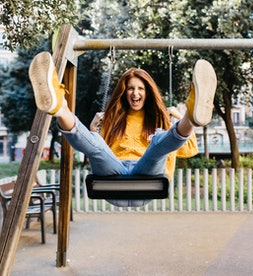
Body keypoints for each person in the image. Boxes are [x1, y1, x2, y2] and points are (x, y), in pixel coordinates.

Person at [28, 52, 217, 207]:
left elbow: (190, 150)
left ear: (148, 92)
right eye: (130, 89)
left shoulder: (160, 118)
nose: (135, 93)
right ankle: (59, 107)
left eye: (141, 89)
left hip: (148, 180)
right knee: (97, 144)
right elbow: (97, 154)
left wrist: (176, 116)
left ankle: (191, 116)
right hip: (113, 180)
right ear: (124, 92)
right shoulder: (112, 120)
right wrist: (94, 132)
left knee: (159, 142)